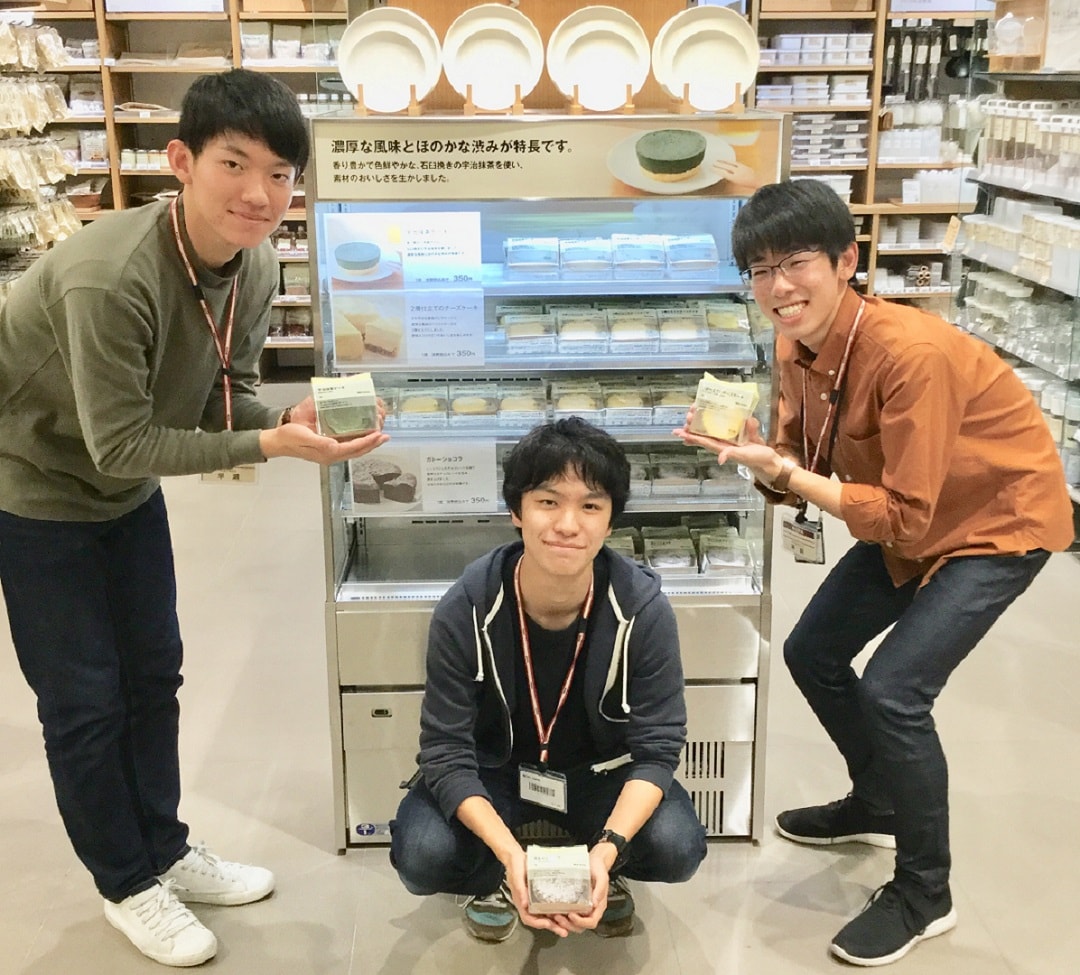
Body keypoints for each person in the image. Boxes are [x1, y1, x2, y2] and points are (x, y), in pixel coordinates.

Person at [0, 70, 389, 968]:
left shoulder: (257, 265)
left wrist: (283, 419)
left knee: (155, 674)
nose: (260, 194)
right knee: (83, 700)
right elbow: (120, 445)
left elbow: (226, 394)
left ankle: (165, 848)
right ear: (180, 161)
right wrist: (271, 446)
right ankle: (125, 881)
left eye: (281, 174)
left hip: (123, 493)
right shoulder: (110, 278)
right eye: (234, 164)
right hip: (34, 490)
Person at [675, 179, 1073, 967]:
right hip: (909, 517)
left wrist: (786, 473)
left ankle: (927, 893)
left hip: (996, 522)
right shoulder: (794, 344)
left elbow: (904, 517)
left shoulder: (910, 353)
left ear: (845, 260)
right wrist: (759, 455)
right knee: (811, 651)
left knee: (895, 690)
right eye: (759, 270)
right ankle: (879, 797)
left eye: (795, 262)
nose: (778, 287)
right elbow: (800, 464)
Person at [389, 417, 706, 942]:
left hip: (599, 774)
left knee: (677, 846)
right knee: (422, 854)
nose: (568, 524)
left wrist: (607, 851)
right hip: (496, 769)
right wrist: (509, 857)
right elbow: (445, 751)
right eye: (548, 501)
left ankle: (601, 871)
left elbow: (658, 749)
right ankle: (493, 879)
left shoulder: (642, 608)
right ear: (516, 511)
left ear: (611, 521)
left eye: (591, 506)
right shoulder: (466, 606)